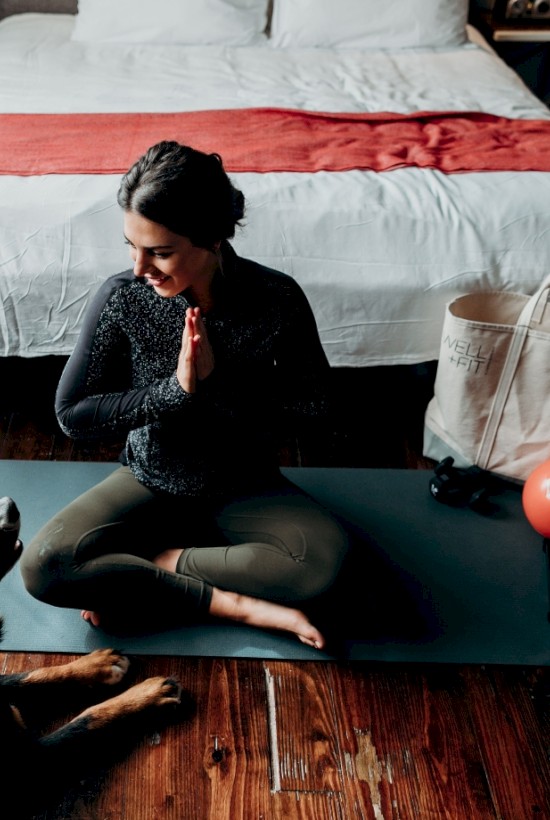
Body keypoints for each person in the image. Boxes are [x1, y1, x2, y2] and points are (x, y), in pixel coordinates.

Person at [20, 141, 349, 649]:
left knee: (320, 567)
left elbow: (318, 408)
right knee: (44, 568)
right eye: (132, 246)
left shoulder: (276, 296)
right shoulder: (122, 298)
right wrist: (177, 390)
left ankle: (155, 565)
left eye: (160, 251)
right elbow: (72, 415)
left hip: (243, 484)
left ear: (212, 238)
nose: (139, 267)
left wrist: (218, 387)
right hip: (151, 480)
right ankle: (236, 604)